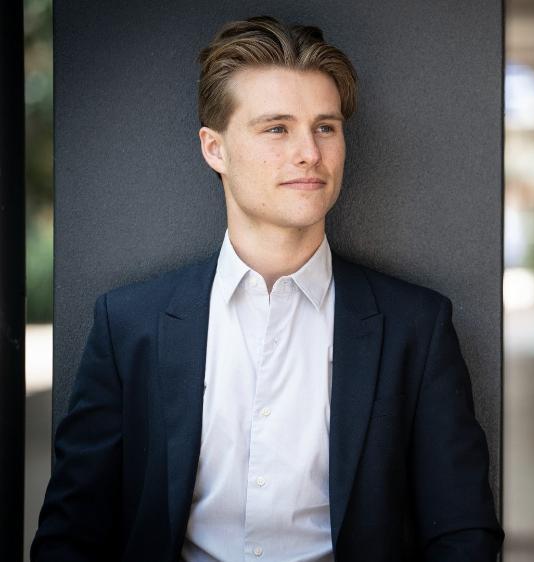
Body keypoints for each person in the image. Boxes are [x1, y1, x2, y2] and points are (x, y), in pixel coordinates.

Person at [31, 15, 502, 562]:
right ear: (215, 149)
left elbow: (463, 532)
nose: (309, 152)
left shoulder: (416, 327)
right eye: (276, 128)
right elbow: (72, 532)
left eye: (325, 127)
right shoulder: (129, 324)